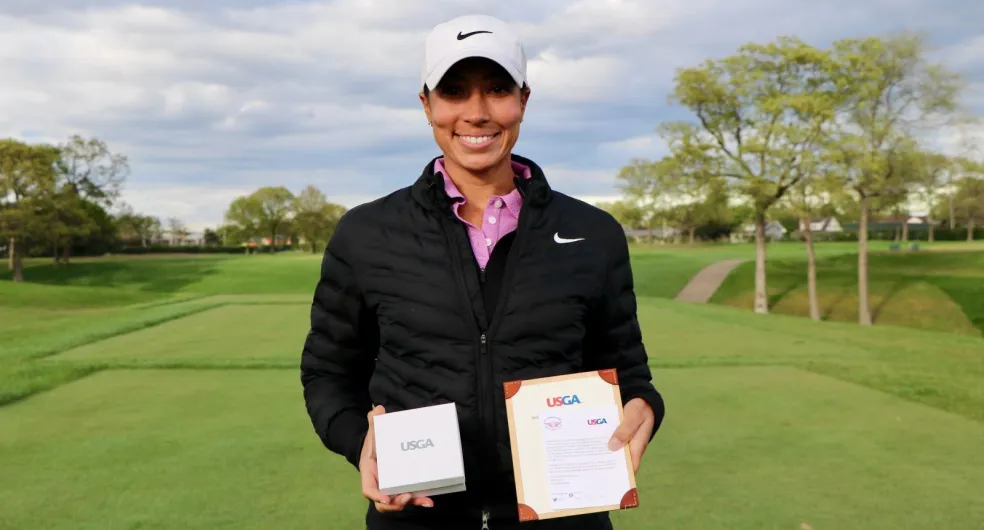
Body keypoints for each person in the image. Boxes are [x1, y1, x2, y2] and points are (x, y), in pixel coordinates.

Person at [300, 13, 665, 530]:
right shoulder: (365, 234)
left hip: (563, 519)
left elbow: (628, 373)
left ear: (523, 101)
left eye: (496, 89)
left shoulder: (593, 232)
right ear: (427, 104)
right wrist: (359, 441)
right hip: (417, 521)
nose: (476, 113)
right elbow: (328, 373)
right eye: (454, 91)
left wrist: (645, 407)